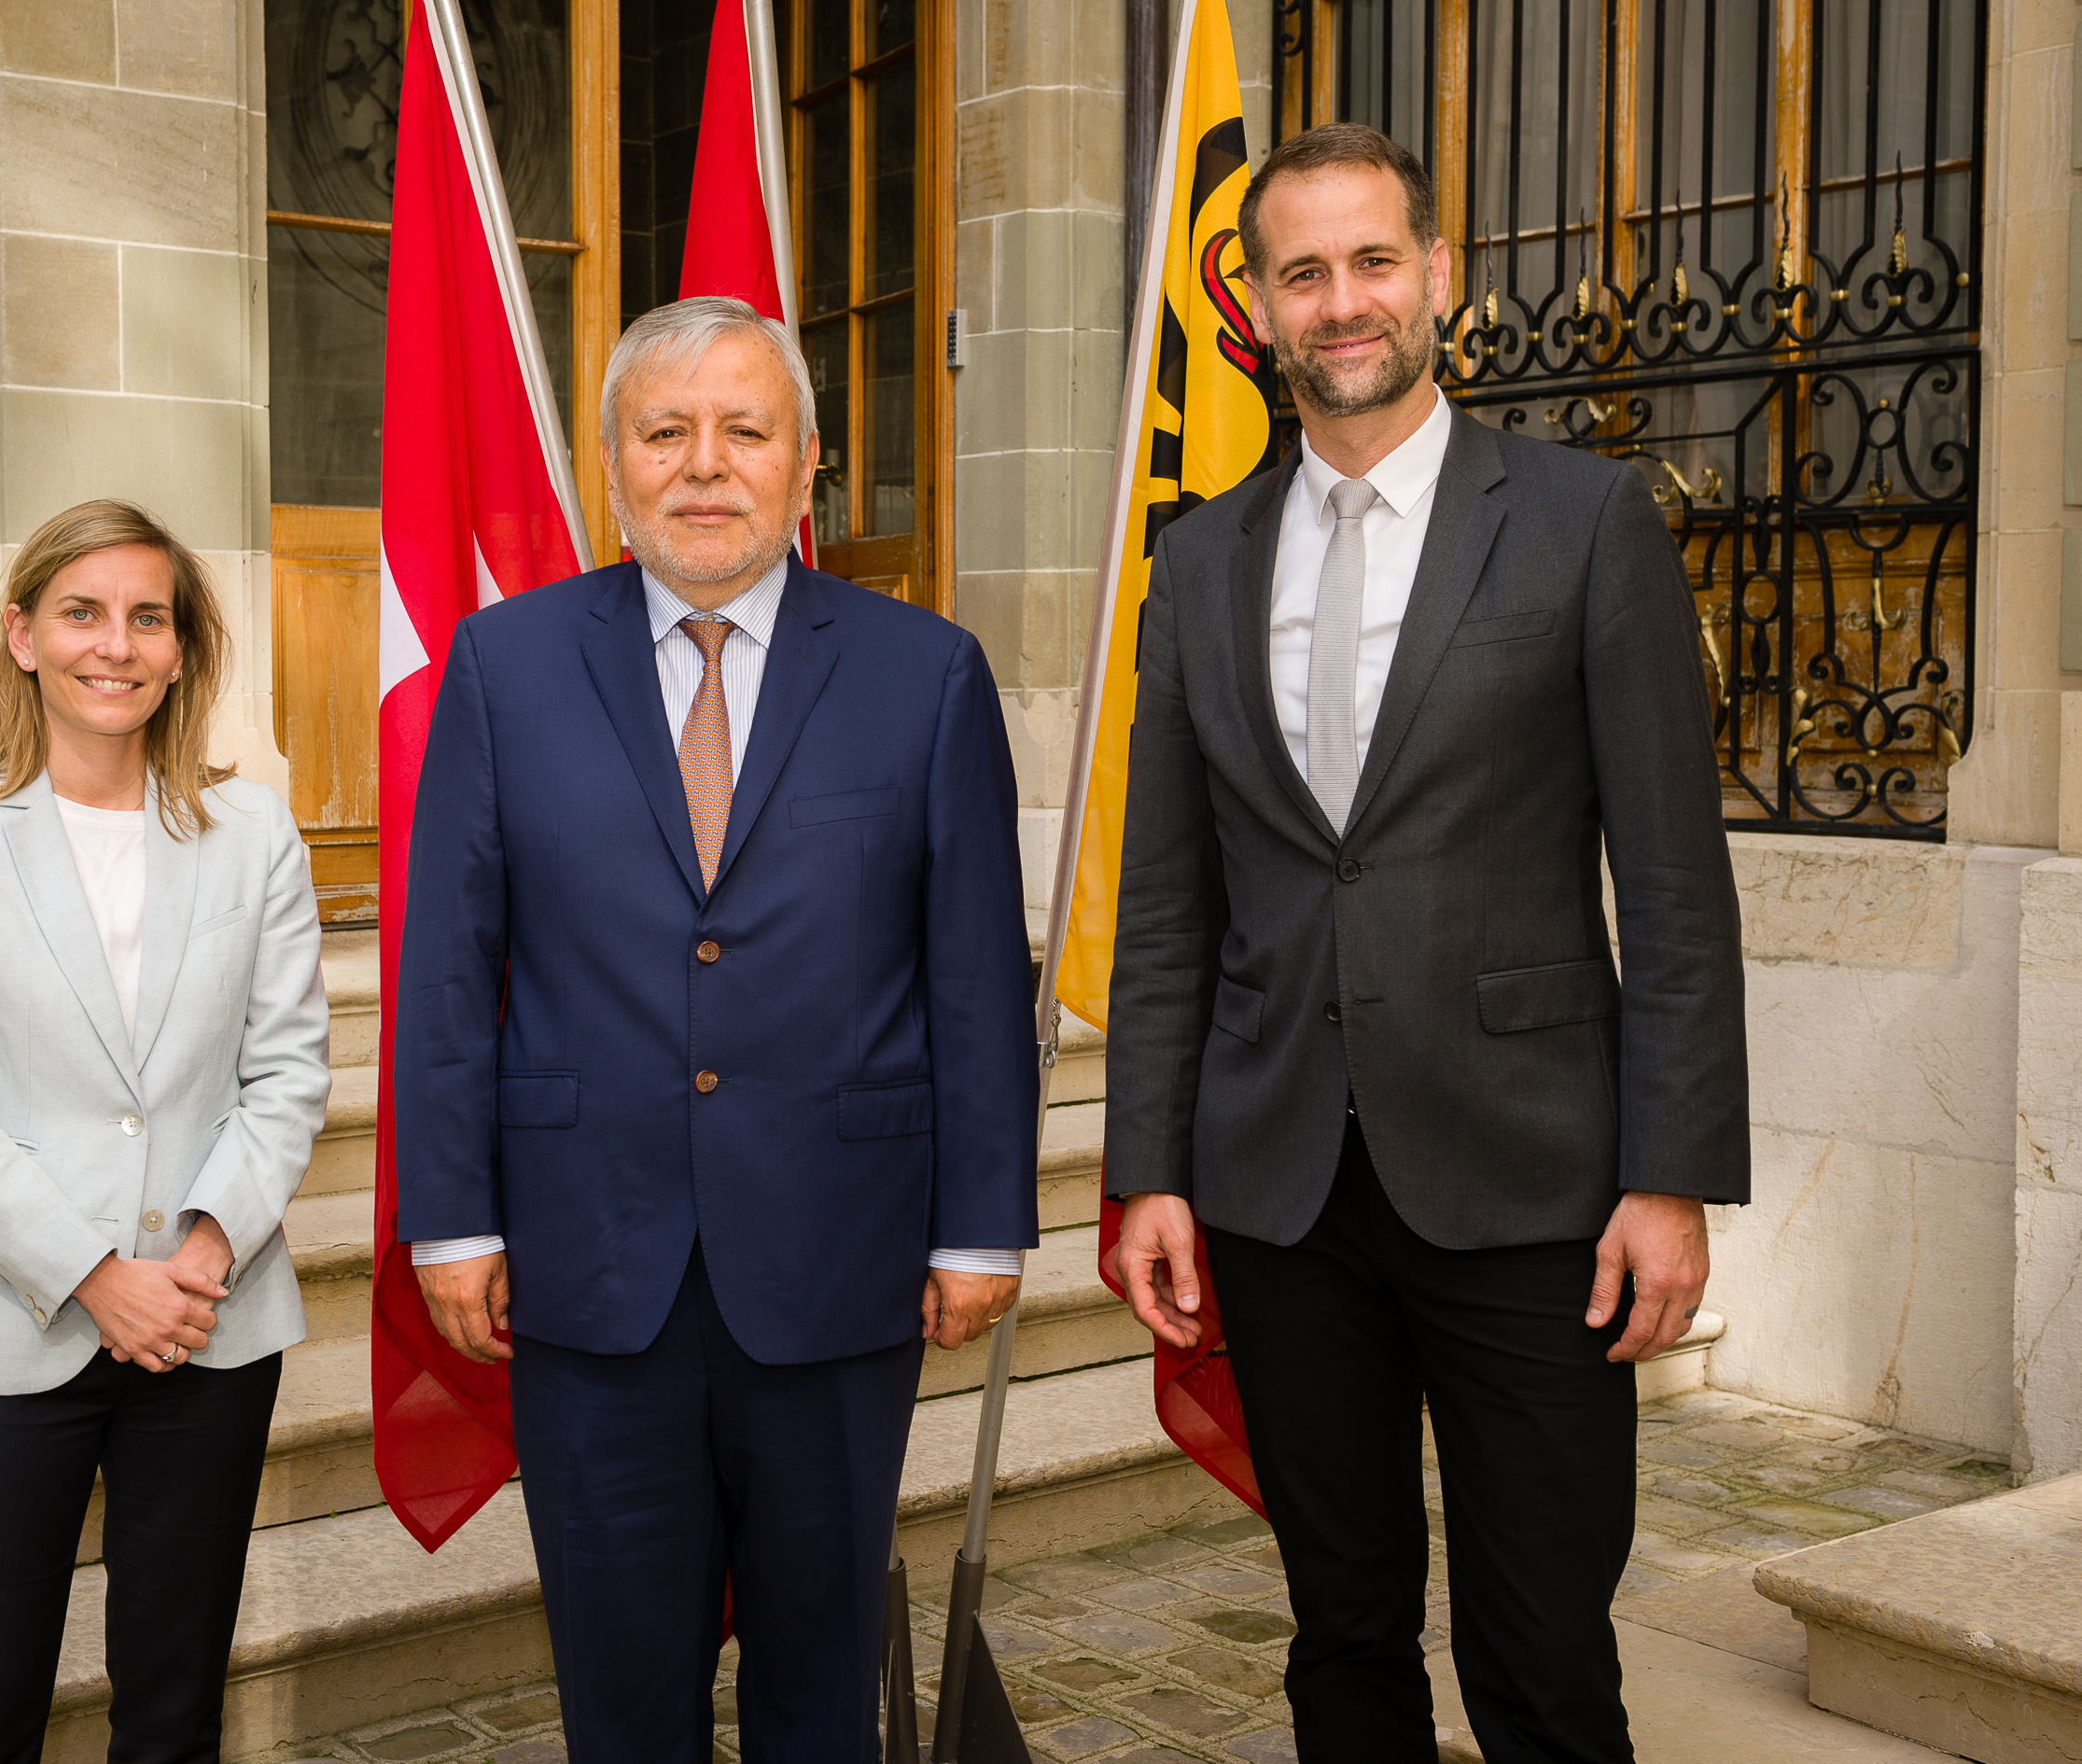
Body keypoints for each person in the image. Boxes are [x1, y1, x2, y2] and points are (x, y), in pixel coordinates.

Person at [1103, 124, 1750, 1763]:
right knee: (1342, 1626)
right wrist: (1148, 1168)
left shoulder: (1585, 522)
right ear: (1251, 300)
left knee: (1540, 1647)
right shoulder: (1193, 567)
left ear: (1438, 274)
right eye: (1301, 271)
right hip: (1279, 1188)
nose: (1341, 303)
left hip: (1533, 1187)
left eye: (1372, 261)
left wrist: (1671, 1176)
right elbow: (1173, 900)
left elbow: (1673, 884)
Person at [392, 295, 1040, 1759]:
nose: (704, 464)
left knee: (820, 1690)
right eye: (665, 432)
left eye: (744, 430)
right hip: (588, 1262)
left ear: (803, 464)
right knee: (625, 1696)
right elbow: (449, 966)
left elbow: (974, 971)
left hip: (838, 1256)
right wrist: (448, 1219)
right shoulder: (503, 665)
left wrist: (981, 1223)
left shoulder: (922, 671)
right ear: (610, 465)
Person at [0, 499, 330, 1762]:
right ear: (22, 633)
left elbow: (287, 1070)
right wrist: (91, 1274)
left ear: (181, 649)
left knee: (174, 1711)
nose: (113, 644)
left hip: (207, 1316)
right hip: (11, 1322)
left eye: (147, 617)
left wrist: (202, 1248)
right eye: (81, 611)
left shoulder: (254, 835)